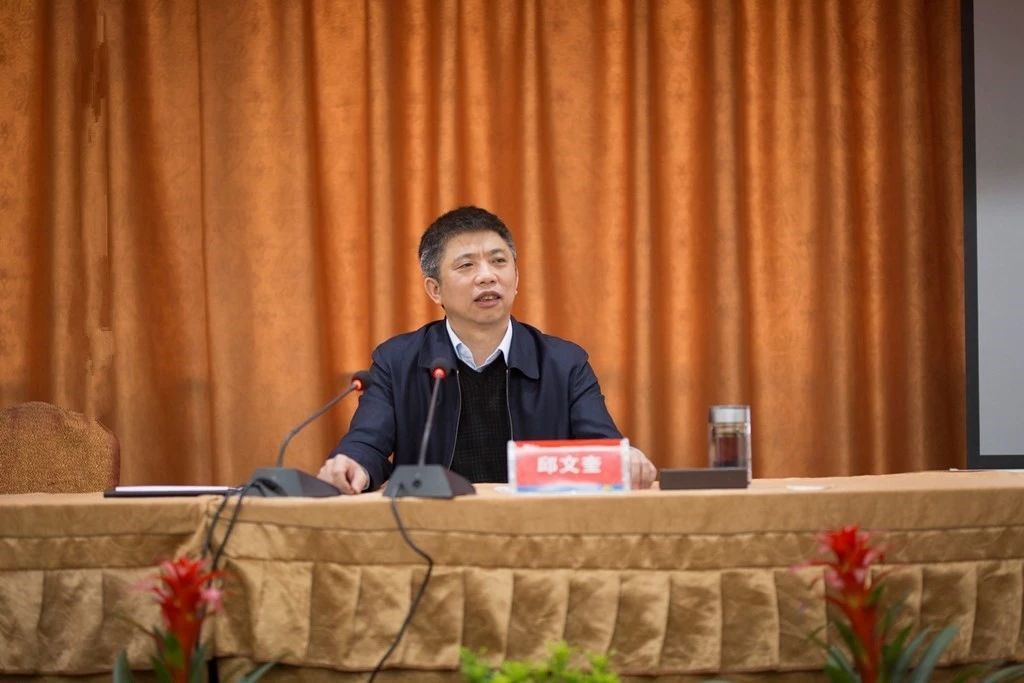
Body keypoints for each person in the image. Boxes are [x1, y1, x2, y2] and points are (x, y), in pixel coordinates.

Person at [317, 206, 657, 494]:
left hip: (536, 530)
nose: (487, 276)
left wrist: (625, 459)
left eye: (498, 261)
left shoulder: (564, 363)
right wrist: (353, 464)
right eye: (466, 265)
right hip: (431, 530)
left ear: (516, 278)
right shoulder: (397, 361)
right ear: (434, 290)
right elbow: (367, 442)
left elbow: (603, 448)